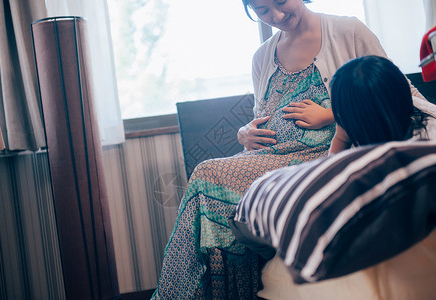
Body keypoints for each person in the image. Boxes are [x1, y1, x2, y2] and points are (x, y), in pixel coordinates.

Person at [151, 1, 423, 299]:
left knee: (206, 177)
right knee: (207, 195)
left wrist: (331, 114)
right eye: (263, 10)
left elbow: (394, 90)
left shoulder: (347, 30)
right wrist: (244, 133)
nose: (277, 16)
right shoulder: (262, 56)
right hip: (265, 158)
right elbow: (264, 113)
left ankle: (176, 295)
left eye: (281, 2)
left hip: (323, 157)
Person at [329, 55, 429, 153]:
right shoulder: (404, 107)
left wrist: (340, 139)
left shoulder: (419, 147)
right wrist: (341, 136)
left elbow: (331, 168)